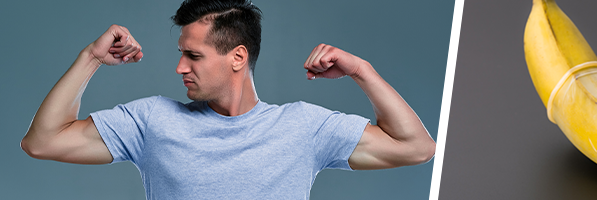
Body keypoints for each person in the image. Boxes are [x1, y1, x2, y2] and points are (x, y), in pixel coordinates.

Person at [20, 0, 436, 199]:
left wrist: (361, 70)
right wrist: (90, 58)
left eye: (194, 56)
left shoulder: (302, 127)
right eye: (181, 54)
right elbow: (43, 142)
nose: (180, 67)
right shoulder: (152, 121)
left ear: (238, 57)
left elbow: (415, 147)